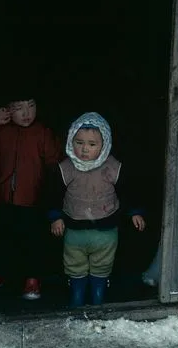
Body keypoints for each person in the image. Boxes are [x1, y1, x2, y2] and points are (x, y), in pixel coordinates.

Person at [48, 111, 145, 307]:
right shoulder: (65, 168)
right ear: (70, 141)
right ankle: (77, 296)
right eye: (79, 143)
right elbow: (52, 195)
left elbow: (127, 191)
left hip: (105, 229)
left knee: (102, 264)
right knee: (75, 264)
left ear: (104, 145)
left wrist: (135, 212)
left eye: (92, 145)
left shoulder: (112, 167)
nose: (84, 149)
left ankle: (98, 296)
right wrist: (56, 217)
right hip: (74, 229)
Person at [0, 93, 61, 301]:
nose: (27, 113)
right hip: (1, 196)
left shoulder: (43, 132)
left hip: (32, 198)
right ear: (7, 109)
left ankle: (32, 280)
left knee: (32, 240)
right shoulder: (0, 129)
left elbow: (55, 161)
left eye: (31, 105)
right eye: (19, 107)